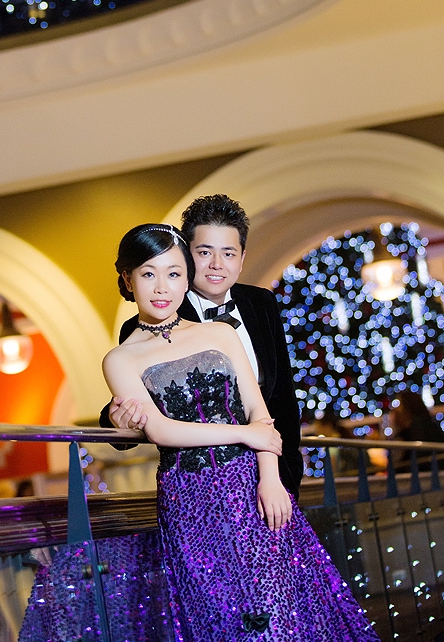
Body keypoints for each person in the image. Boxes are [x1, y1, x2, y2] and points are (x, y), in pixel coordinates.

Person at [101, 223, 379, 641]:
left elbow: (259, 412)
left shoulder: (220, 333)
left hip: (250, 486)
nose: (162, 287)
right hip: (187, 498)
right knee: (219, 617)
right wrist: (243, 435)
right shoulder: (120, 358)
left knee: (281, 605)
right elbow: (161, 430)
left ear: (187, 278)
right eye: (148, 274)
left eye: (174, 273)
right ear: (128, 279)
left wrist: (271, 479)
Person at [101, 194, 303, 498]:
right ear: (186, 256)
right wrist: (115, 421)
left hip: (271, 472)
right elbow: (148, 401)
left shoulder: (261, 302)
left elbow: (283, 398)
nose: (216, 265)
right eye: (205, 252)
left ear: (242, 258)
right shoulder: (152, 317)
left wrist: (287, 475)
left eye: (228, 253)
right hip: (196, 482)